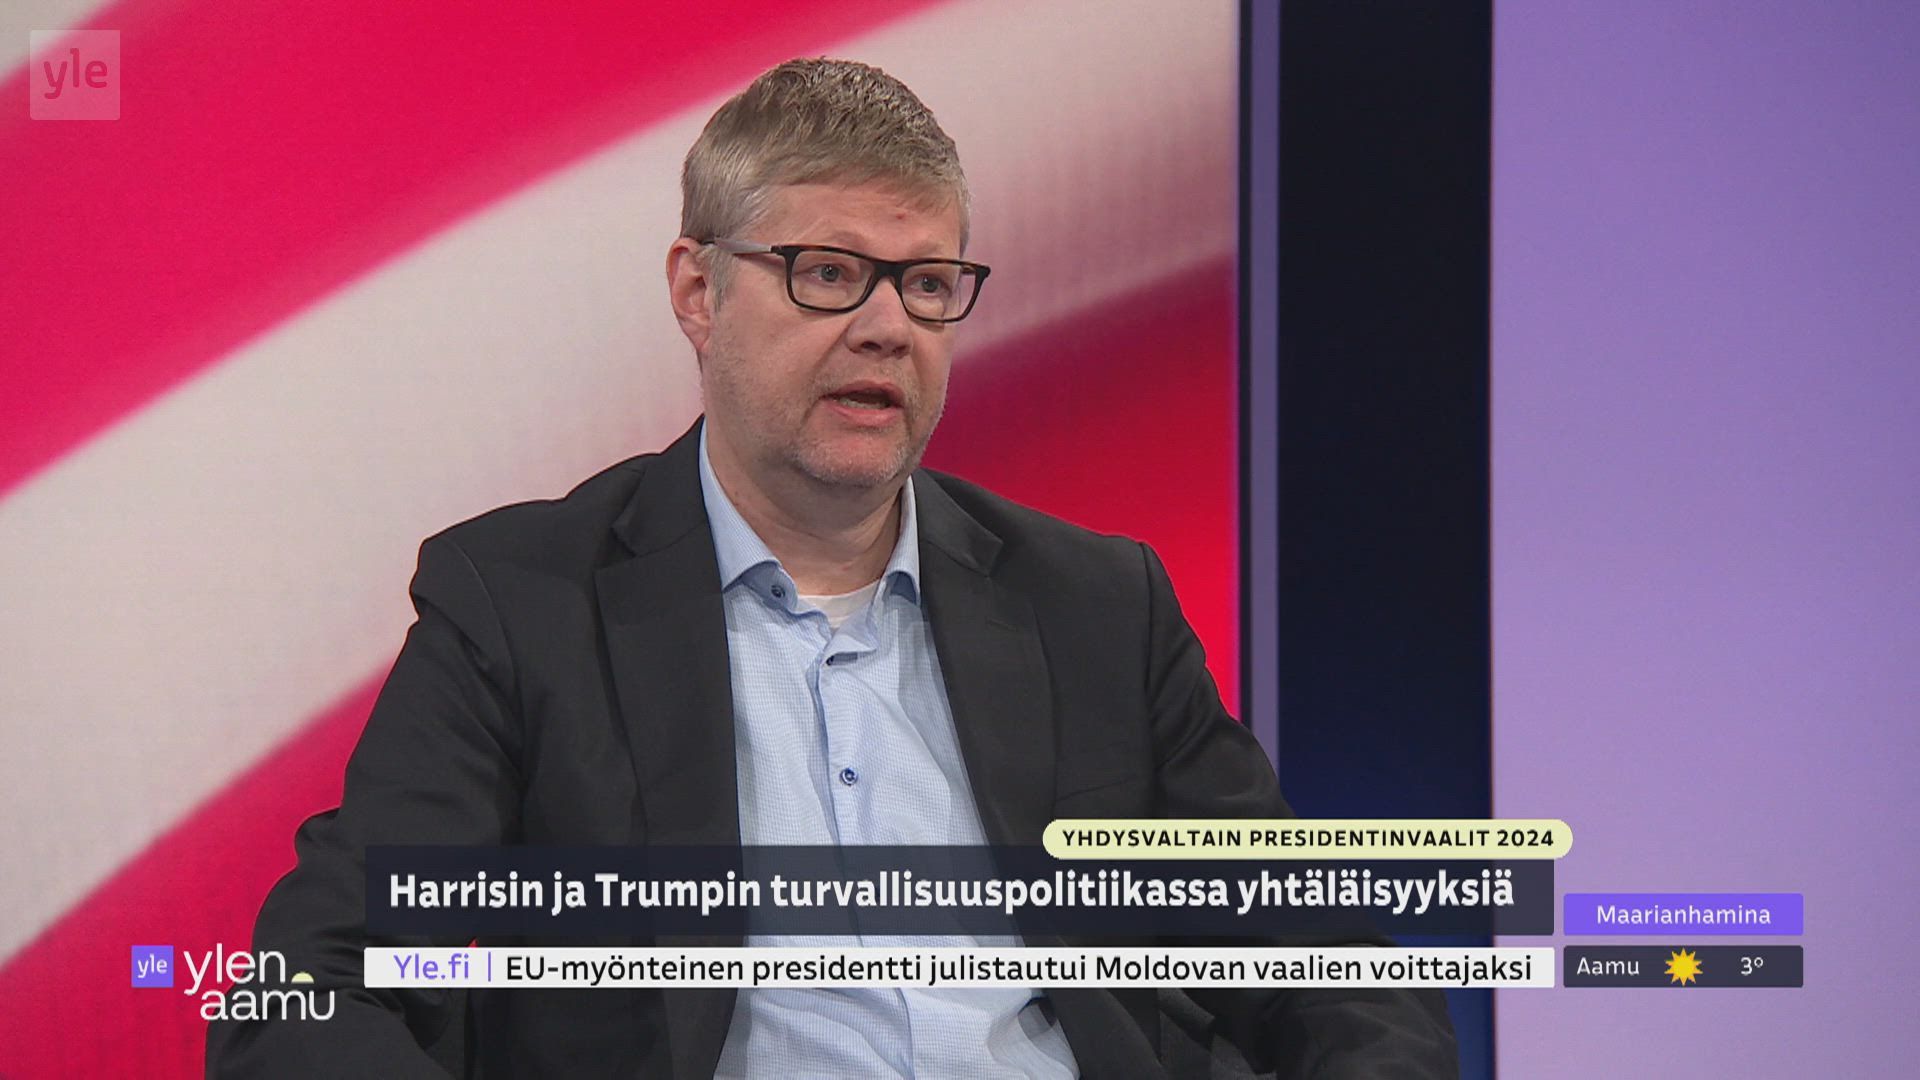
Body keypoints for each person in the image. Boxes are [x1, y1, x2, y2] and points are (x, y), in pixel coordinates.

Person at [208, 58, 1457, 1078]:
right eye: (828, 274)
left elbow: (1331, 966)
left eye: (927, 284)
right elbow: (306, 989)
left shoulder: (1095, 606)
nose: (887, 328)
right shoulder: (523, 603)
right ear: (698, 292)